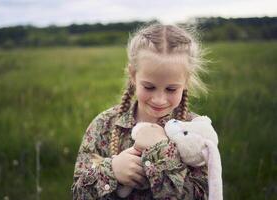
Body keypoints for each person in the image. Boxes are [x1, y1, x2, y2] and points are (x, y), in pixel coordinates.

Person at [71, 22, 211, 199]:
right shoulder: (104, 125)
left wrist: (161, 151)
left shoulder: (196, 132)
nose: (159, 99)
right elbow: (78, 193)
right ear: (133, 75)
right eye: (149, 87)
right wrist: (112, 171)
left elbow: (204, 195)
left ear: (186, 81)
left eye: (171, 89)